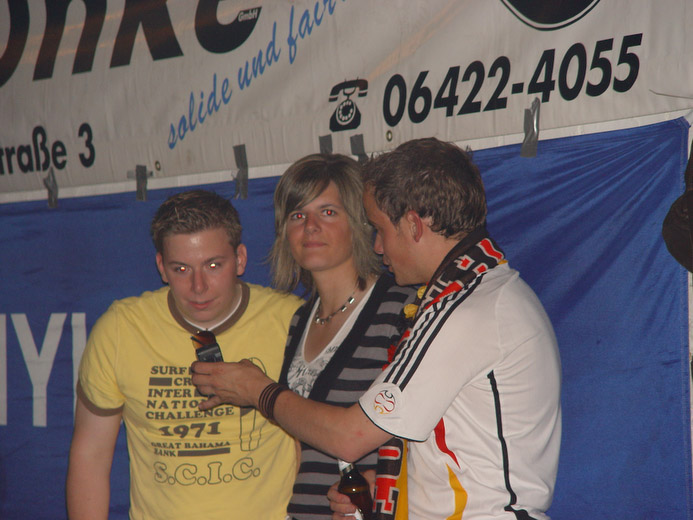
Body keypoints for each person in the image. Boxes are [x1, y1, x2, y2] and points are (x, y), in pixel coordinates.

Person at [191, 138, 562, 519]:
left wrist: (258, 390)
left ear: (413, 225)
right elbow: (447, 444)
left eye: (380, 229)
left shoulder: (466, 308)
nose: (379, 247)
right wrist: (383, 484)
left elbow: (350, 437)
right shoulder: (477, 292)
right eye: (297, 216)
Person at [66, 190, 303, 520]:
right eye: (181, 269)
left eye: (213, 265)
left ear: (240, 259)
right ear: (161, 268)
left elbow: (315, 443)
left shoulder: (291, 320)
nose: (198, 286)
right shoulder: (121, 329)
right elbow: (90, 455)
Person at [271, 153, 415, 519]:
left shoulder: (400, 308)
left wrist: (380, 482)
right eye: (297, 215)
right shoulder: (299, 320)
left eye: (328, 212)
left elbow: (427, 431)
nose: (310, 227)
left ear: (359, 221)